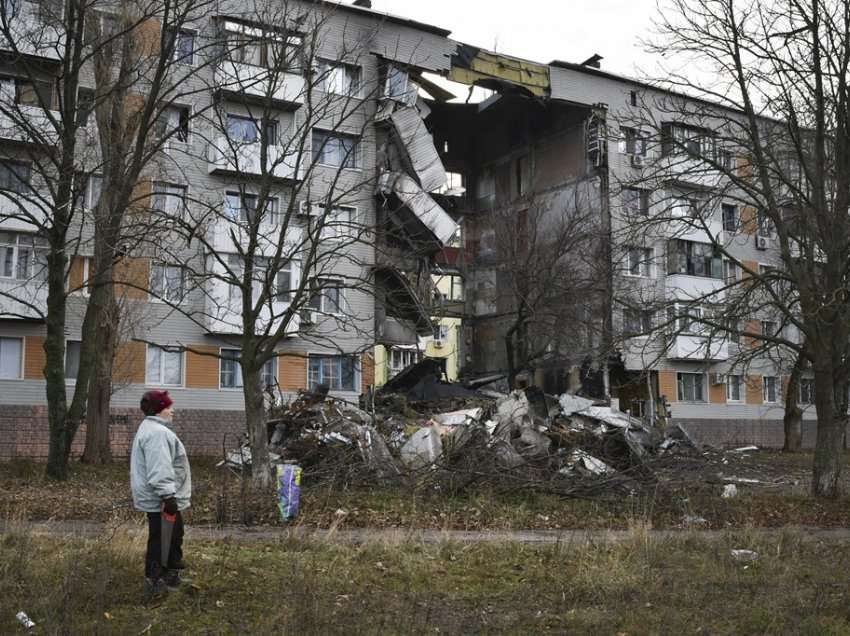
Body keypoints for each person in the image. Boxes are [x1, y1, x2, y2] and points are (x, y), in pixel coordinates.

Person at [130, 390, 192, 597]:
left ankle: (170, 575)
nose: (172, 411)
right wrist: (168, 496)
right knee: (161, 540)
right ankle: (156, 581)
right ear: (159, 410)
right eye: (168, 407)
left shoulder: (152, 429)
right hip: (161, 499)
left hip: (162, 497)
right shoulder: (157, 433)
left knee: (173, 535)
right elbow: (160, 468)